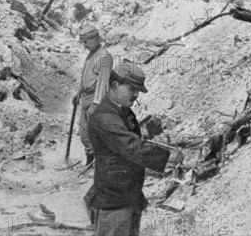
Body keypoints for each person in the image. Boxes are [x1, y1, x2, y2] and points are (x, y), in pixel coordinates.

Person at [84, 60, 184, 236]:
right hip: (115, 201)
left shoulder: (121, 111)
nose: (137, 95)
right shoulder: (105, 117)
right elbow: (131, 147)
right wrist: (167, 156)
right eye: (132, 89)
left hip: (128, 195)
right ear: (115, 85)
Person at [73, 25, 113, 166]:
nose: (84, 45)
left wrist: (96, 104)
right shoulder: (91, 55)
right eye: (83, 42)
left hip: (96, 99)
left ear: (95, 39)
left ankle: (99, 163)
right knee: (84, 134)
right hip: (85, 97)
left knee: (95, 134)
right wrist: (78, 93)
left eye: (86, 42)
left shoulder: (104, 57)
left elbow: (103, 83)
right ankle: (91, 158)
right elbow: (84, 75)